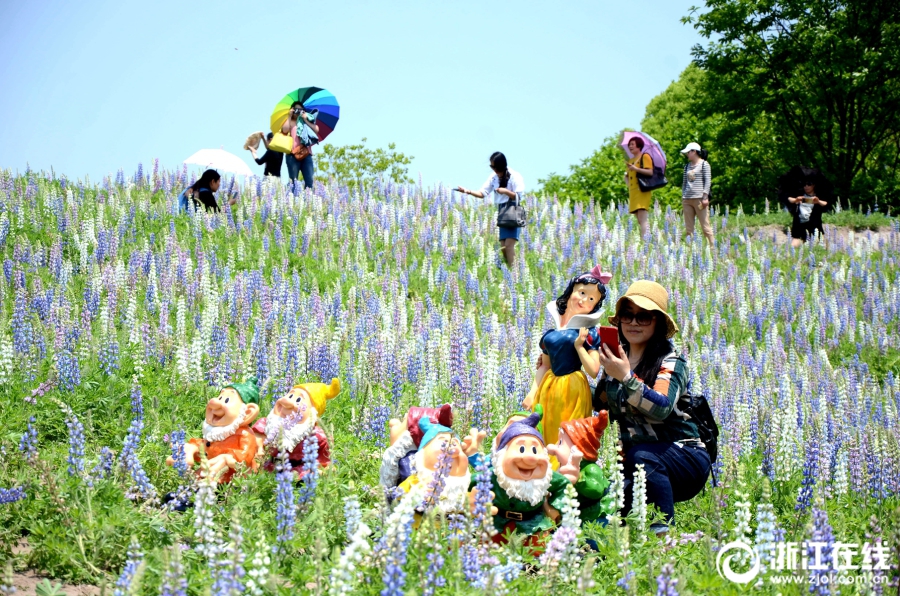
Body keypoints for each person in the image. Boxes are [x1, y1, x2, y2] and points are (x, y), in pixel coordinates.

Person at [593, 280, 711, 535]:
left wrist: (626, 377)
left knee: (642, 456)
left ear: (657, 322)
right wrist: (557, 369)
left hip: (684, 457)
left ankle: (663, 537)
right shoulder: (617, 358)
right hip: (638, 462)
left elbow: (661, 407)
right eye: (628, 315)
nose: (634, 323)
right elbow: (598, 403)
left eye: (644, 317)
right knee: (605, 500)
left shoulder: (671, 361)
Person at [523, 265, 611, 445]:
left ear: (594, 307)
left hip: (573, 387)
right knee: (546, 430)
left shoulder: (589, 332)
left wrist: (579, 347)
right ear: (571, 291)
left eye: (591, 298)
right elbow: (545, 365)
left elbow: (593, 370)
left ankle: (568, 469)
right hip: (549, 387)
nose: (584, 299)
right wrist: (532, 393)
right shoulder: (551, 333)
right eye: (582, 292)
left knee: (569, 433)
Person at [457, 152, 525, 270]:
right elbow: (483, 193)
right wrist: (467, 191)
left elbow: (519, 196)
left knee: (509, 245)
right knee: (503, 246)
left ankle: (516, 275)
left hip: (513, 210)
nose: (493, 169)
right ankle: (509, 271)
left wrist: (505, 191)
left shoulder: (514, 175)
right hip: (502, 211)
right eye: (491, 167)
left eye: (494, 167)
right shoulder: (493, 177)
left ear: (501, 165)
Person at [680, 142, 714, 245]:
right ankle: (690, 249)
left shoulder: (704, 164)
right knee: (689, 228)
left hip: (699, 199)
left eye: (688, 152)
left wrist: (705, 197)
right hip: (687, 199)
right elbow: (684, 182)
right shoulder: (687, 166)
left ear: (694, 152)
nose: (687, 155)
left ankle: (712, 248)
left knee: (705, 226)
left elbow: (708, 181)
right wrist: (683, 196)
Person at [282, 102, 319, 189]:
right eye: (296, 109)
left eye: (301, 110)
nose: (298, 112)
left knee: (309, 180)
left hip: (306, 154)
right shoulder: (291, 122)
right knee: (293, 182)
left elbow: (316, 130)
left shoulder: (306, 122)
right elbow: (284, 130)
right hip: (292, 155)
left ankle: (308, 200)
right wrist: (289, 116)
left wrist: (305, 119)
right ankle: (292, 201)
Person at [624, 137, 654, 238]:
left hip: (642, 191)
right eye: (629, 145)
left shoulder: (645, 157)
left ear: (639, 145)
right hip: (633, 192)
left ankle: (645, 240)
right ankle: (645, 238)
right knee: (639, 219)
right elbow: (629, 177)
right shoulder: (631, 160)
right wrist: (626, 177)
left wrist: (636, 169)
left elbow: (650, 172)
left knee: (643, 218)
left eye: (632, 144)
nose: (630, 146)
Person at [787, 179, 827, 247]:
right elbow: (789, 198)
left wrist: (818, 201)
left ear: (814, 185)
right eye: (804, 185)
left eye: (809, 184)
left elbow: (825, 203)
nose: (806, 186)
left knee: (823, 245)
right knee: (794, 245)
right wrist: (796, 199)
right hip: (800, 224)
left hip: (814, 225)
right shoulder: (800, 193)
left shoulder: (818, 195)